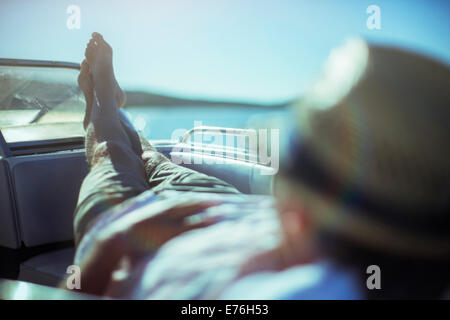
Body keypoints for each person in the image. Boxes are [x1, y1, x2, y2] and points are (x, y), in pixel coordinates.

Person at [71, 33, 450, 299]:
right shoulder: (410, 263)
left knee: (110, 156)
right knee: (152, 160)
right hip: (232, 207)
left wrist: (102, 254)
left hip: (142, 230)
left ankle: (104, 101)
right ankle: (120, 114)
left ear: (297, 212)